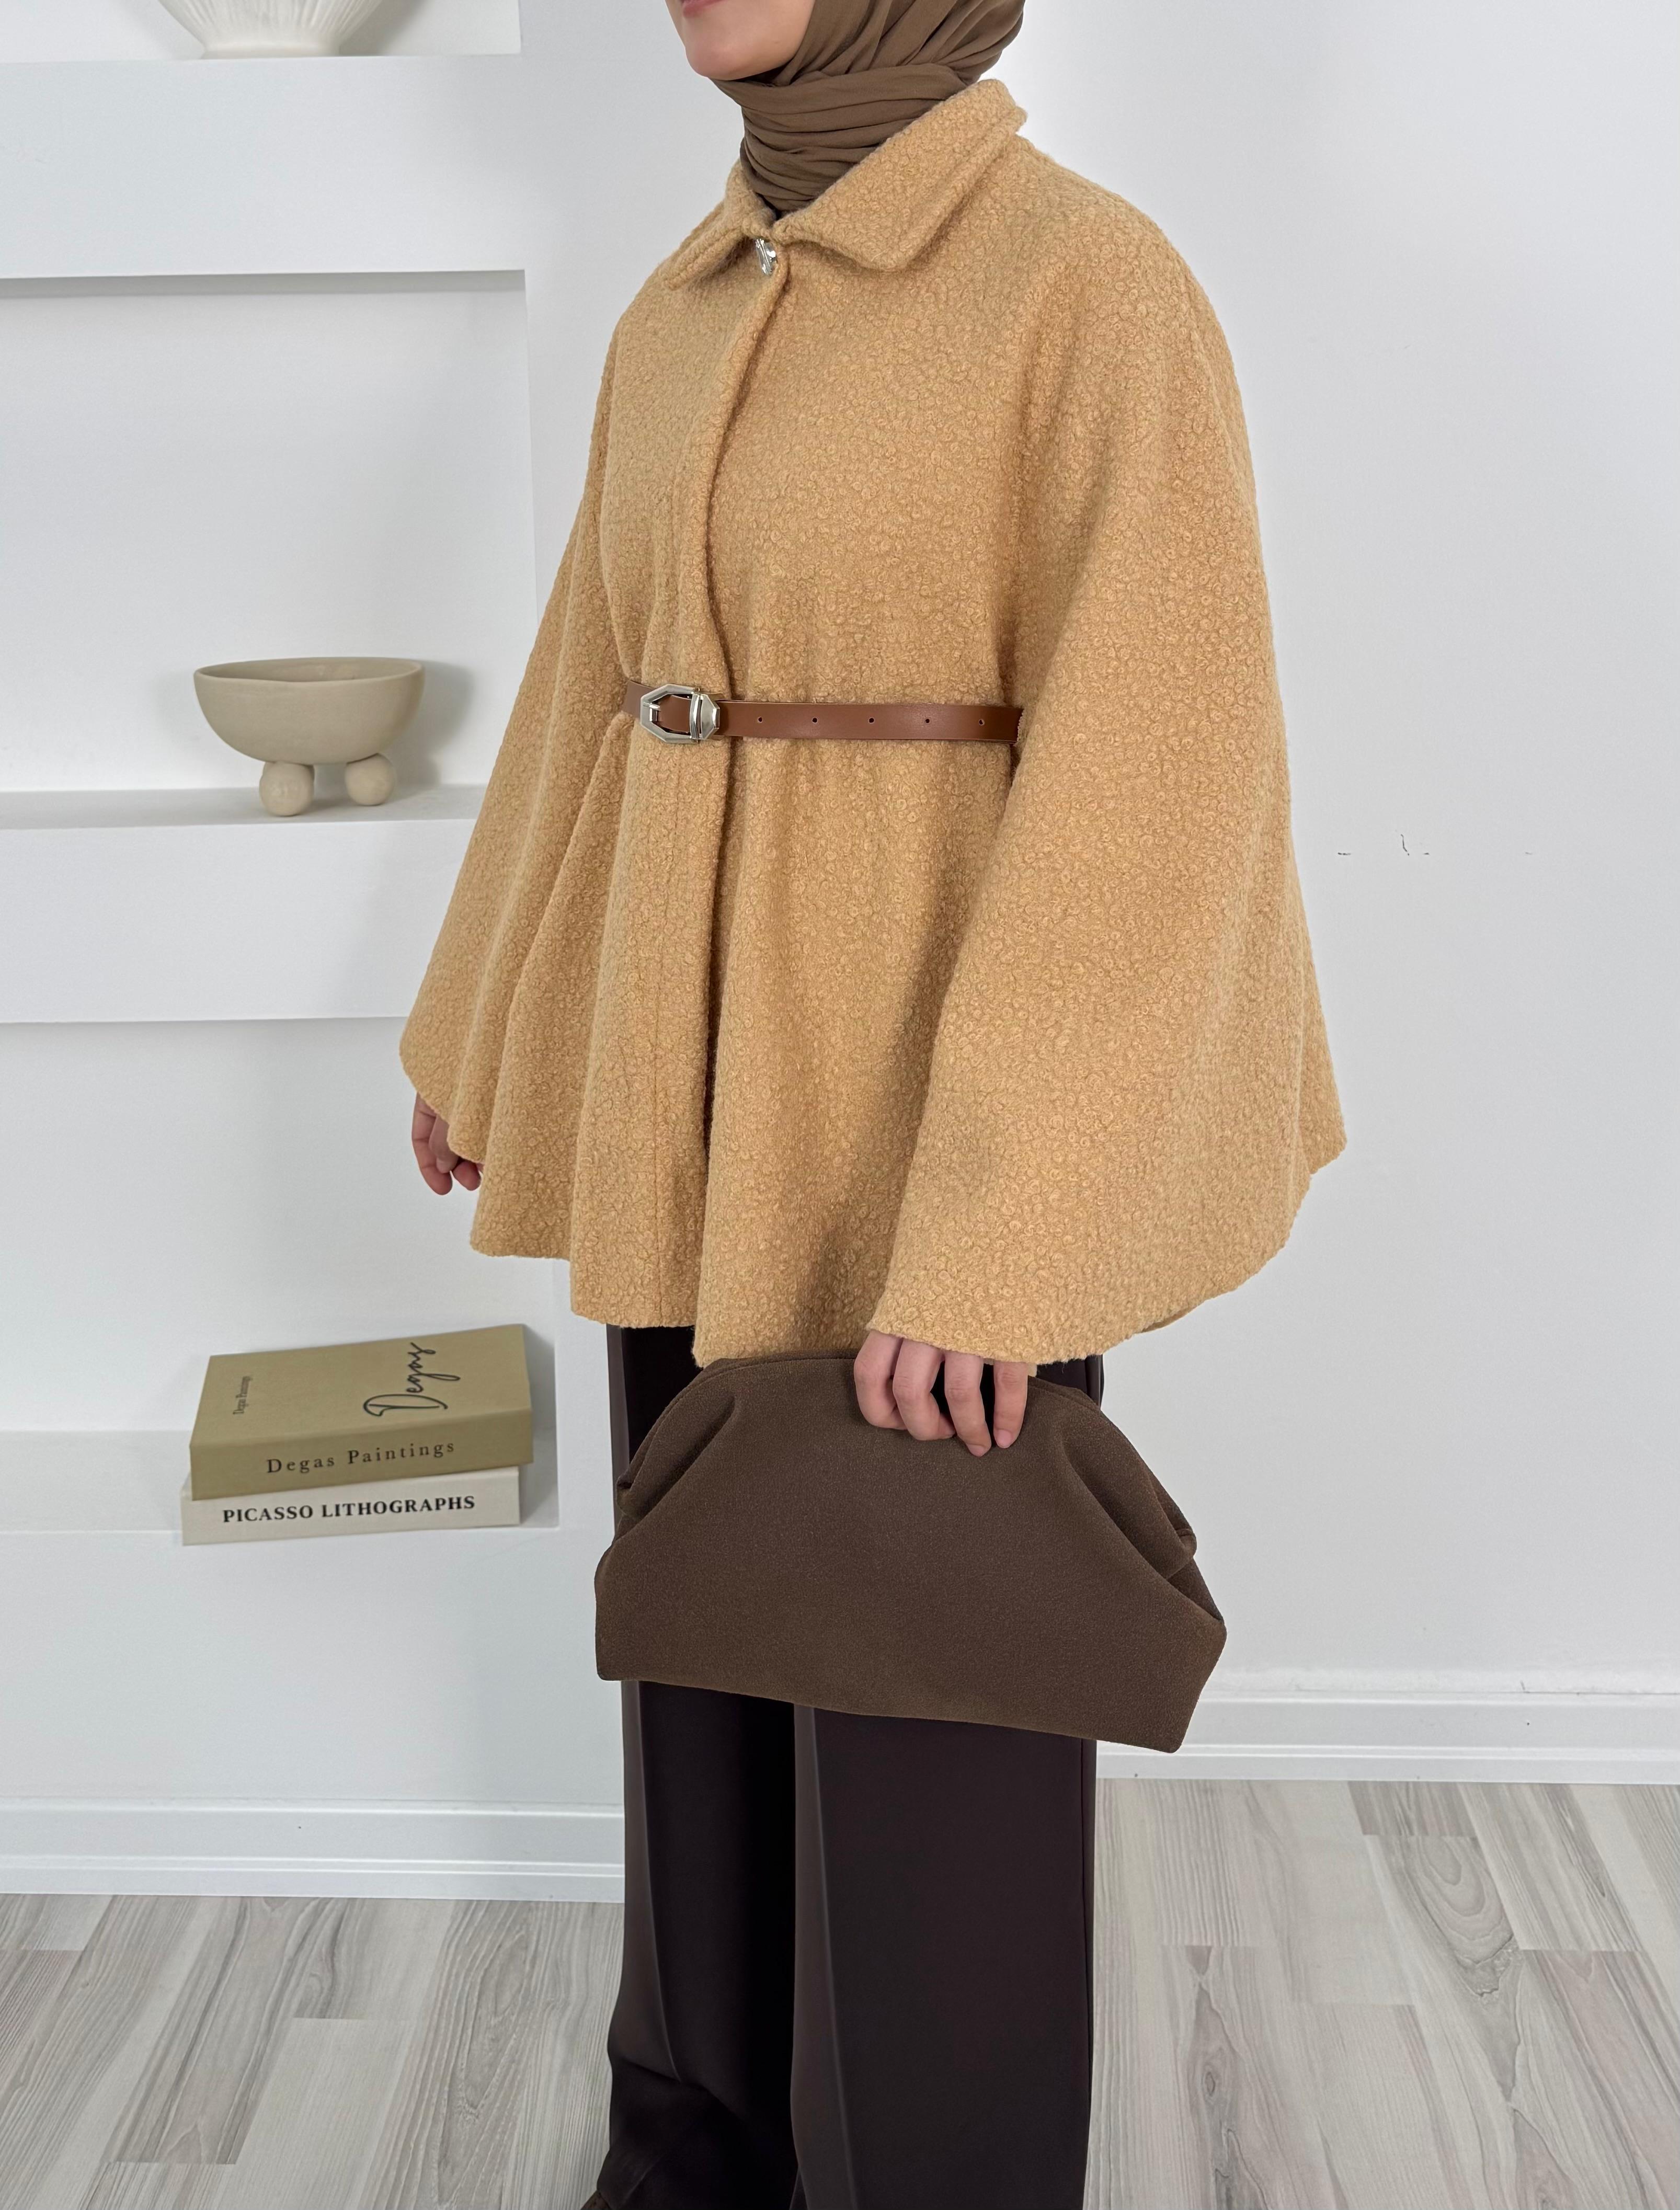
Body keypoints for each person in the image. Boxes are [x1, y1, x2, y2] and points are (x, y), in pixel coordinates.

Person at [403, 2, 1345, 2203]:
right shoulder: (682, 302)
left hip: (927, 1153)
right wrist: (487, 1023)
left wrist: (1010, 1238)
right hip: (686, 1104)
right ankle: (696, 2159)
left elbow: (1155, 798)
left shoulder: (1089, 289)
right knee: (703, 1681)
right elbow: (590, 690)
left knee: (929, 1744)